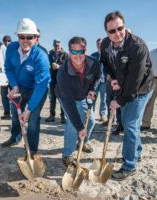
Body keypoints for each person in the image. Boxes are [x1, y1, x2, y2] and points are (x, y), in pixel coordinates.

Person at [100, 11, 154, 180]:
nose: (117, 34)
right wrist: (112, 77)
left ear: (125, 25)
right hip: (123, 84)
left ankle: (129, 165)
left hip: (141, 88)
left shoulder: (137, 46)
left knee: (129, 124)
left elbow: (134, 83)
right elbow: (106, 63)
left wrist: (119, 101)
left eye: (120, 28)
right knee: (131, 122)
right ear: (106, 32)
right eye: (112, 31)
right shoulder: (105, 44)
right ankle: (136, 152)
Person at [2, 18, 50, 152]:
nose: (25, 40)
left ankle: (32, 149)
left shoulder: (41, 57)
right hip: (19, 87)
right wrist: (14, 85)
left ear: (36, 38)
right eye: (21, 37)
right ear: (17, 37)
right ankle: (15, 137)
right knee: (16, 115)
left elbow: (41, 86)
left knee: (33, 119)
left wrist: (28, 111)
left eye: (29, 37)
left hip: (37, 89)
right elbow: (8, 68)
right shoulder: (11, 48)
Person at [55, 36, 101, 167]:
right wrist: (80, 127)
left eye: (81, 51)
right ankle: (67, 154)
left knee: (91, 121)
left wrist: (92, 89)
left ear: (86, 51)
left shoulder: (94, 63)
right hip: (66, 97)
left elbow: (98, 76)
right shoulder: (63, 72)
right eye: (74, 52)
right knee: (73, 123)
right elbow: (69, 105)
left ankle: (82, 141)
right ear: (69, 53)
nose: (78, 55)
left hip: (83, 96)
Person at [45, 39, 68, 123]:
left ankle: (63, 116)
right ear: (53, 45)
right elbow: (46, 64)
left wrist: (59, 66)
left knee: (62, 98)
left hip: (62, 80)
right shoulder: (50, 54)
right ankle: (52, 115)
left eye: (58, 45)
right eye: (55, 45)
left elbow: (67, 66)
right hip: (52, 78)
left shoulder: (65, 55)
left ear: (61, 45)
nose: (57, 47)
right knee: (52, 98)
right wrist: (51, 65)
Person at [91, 38, 108, 123]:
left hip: (104, 81)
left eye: (100, 44)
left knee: (103, 99)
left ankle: (103, 115)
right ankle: (91, 115)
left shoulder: (107, 54)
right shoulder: (93, 55)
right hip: (95, 81)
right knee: (93, 98)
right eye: (98, 44)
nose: (99, 45)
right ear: (96, 45)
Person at [1, 35, 12, 120]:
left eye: (9, 41)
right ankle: (7, 113)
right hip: (3, 77)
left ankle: (15, 113)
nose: (7, 42)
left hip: (13, 77)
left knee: (14, 96)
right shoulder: (0, 50)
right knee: (4, 96)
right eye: (5, 41)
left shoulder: (15, 50)